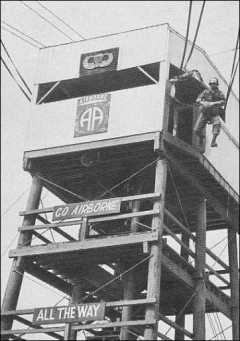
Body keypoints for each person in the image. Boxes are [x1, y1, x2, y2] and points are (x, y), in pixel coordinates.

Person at [194, 77, 225, 147]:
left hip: (214, 114)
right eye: (211, 84)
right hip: (205, 113)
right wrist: (203, 102)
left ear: (217, 84)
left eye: (214, 84)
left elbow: (223, 102)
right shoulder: (206, 91)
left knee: (217, 124)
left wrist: (213, 103)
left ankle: (213, 142)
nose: (212, 85)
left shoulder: (219, 93)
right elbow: (198, 99)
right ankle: (201, 138)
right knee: (196, 130)